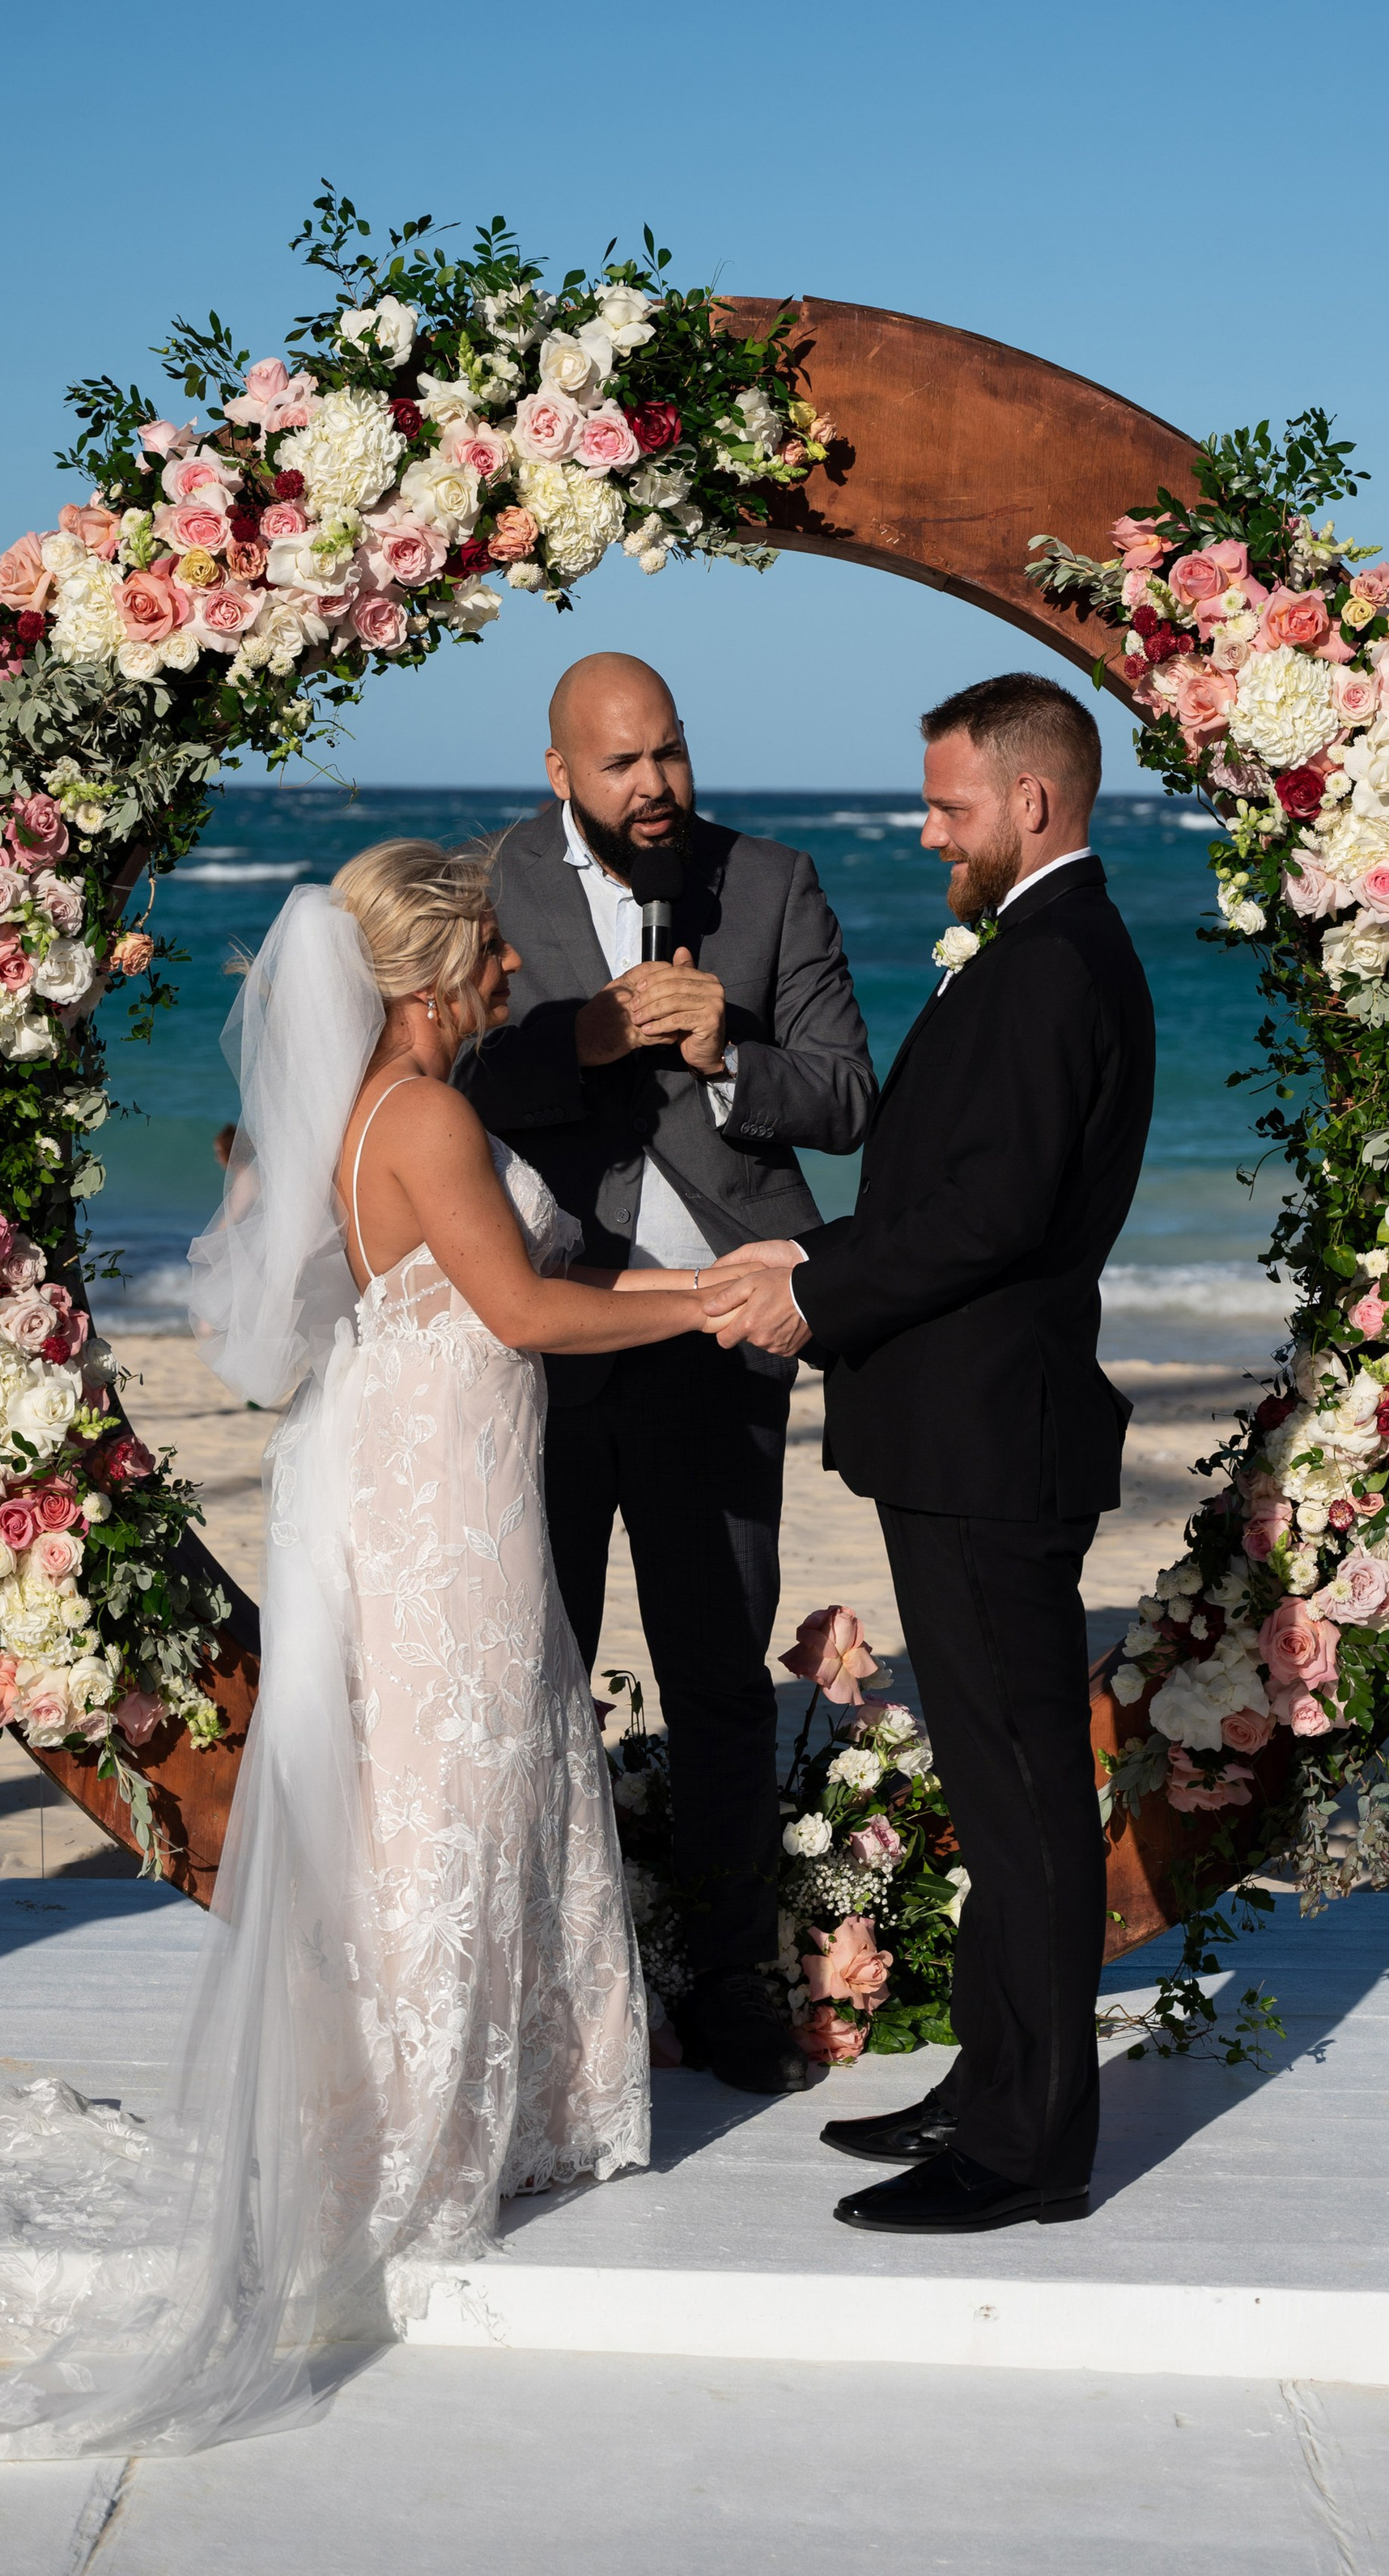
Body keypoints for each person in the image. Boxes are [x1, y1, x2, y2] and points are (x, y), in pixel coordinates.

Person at [0, 845, 718, 2458]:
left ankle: (448, 2116)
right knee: (443, 1789)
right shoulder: (421, 1115)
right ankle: (418, 2152)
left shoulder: (375, 1106)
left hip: (420, 1463)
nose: (513, 975)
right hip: (438, 1486)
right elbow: (522, 1315)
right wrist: (715, 1296)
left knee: (441, 1781)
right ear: (436, 971)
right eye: (494, 954)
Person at [701, 672, 1155, 2234]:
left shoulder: (1053, 966)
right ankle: (990, 2072)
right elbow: (937, 1189)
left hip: (992, 1442)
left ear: (1033, 801)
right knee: (985, 1771)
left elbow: (993, 1218)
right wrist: (807, 1265)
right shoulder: (1028, 951)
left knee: (1026, 1799)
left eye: (949, 803)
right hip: (956, 1431)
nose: (926, 829)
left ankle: (1036, 2151)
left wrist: (809, 1291)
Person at [457, 654, 876, 2094]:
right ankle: (550, 1988)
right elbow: (437, 1089)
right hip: (553, 1324)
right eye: (622, 764)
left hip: (719, 1326)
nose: (654, 788)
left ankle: (736, 1984)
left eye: (671, 757)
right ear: (559, 768)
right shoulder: (491, 884)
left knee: (714, 1672)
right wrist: (580, 1039)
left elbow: (847, 1092)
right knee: (541, 1662)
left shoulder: (770, 882)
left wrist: (727, 1052)